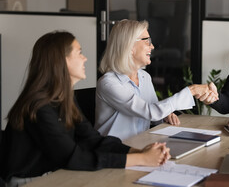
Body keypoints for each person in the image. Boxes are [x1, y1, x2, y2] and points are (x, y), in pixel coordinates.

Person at [0, 31, 170, 186]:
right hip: (29, 181)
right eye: (79, 53)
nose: (85, 59)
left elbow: (93, 140)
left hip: (55, 173)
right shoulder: (39, 106)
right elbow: (73, 157)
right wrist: (141, 159)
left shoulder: (65, 98)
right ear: (62, 61)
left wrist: (139, 152)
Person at [95, 19, 218, 140]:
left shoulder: (144, 77)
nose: (152, 46)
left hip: (142, 144)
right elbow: (151, 112)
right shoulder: (109, 83)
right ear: (129, 45)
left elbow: (154, 112)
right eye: (147, 41)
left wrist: (165, 115)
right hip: (116, 152)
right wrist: (192, 90)